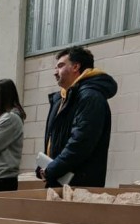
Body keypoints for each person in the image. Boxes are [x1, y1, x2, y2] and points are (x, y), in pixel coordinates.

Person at [37, 45, 117, 188]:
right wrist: (45, 166)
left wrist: (53, 169)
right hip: (58, 180)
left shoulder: (90, 97)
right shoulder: (62, 98)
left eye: (60, 66)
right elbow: (54, 140)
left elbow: (80, 142)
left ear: (76, 67)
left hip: (79, 185)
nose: (55, 72)